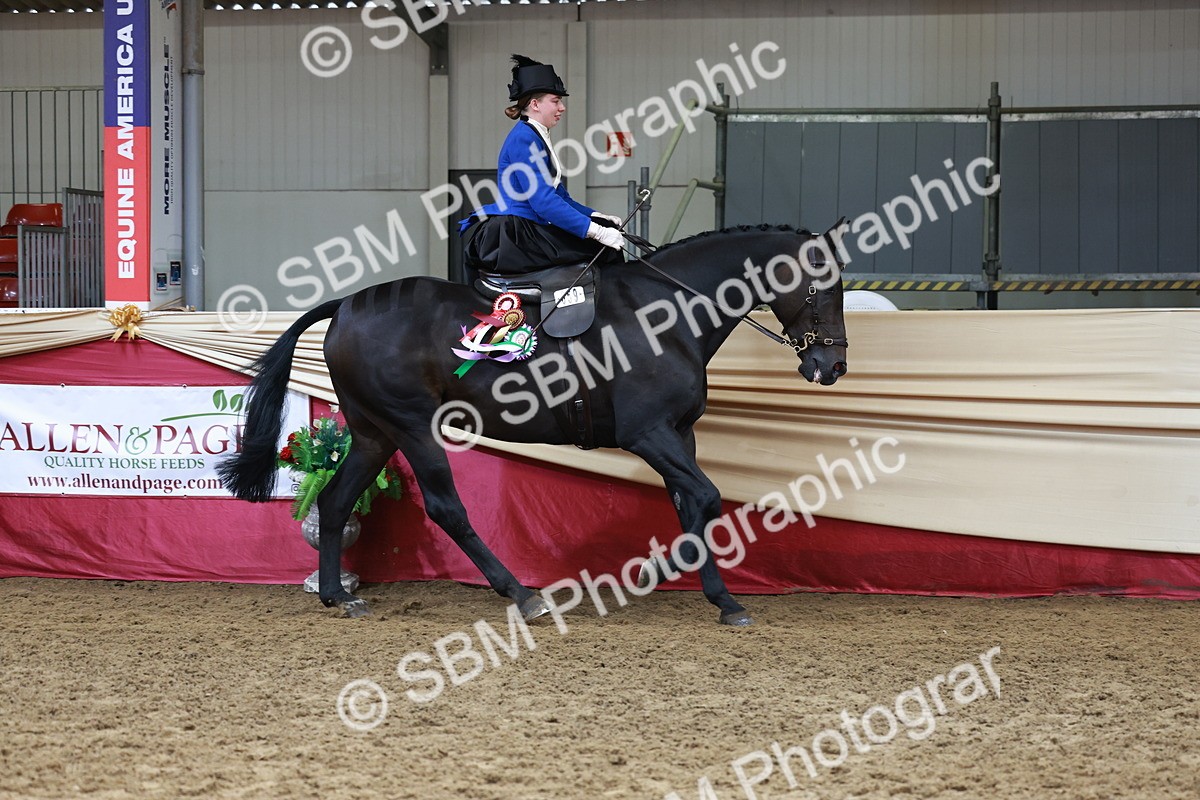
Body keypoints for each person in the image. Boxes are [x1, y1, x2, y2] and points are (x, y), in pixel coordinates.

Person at [461, 55, 628, 275]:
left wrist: (595, 216)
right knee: (601, 247)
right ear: (535, 104)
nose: (562, 108)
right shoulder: (524, 138)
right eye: (556, 101)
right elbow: (544, 203)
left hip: (529, 226)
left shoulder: (537, 135)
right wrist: (594, 231)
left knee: (606, 233)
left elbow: (560, 197)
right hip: (518, 233)